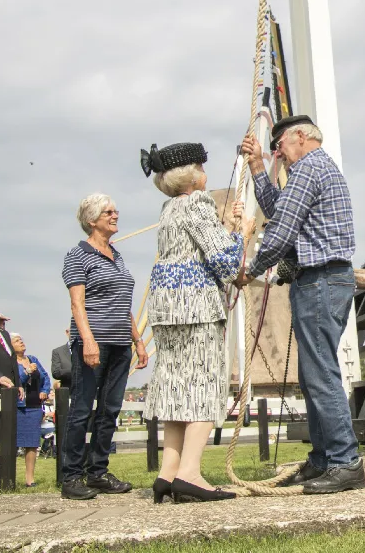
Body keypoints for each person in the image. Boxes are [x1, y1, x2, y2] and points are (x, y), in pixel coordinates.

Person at [240, 116, 364, 494]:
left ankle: (345, 462)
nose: (278, 154)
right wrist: (258, 165)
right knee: (313, 376)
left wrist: (249, 269)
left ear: (300, 137)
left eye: (279, 145)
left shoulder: (308, 169)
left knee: (320, 374)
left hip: (320, 280)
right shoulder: (314, 170)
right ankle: (325, 459)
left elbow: (279, 232)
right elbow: (281, 210)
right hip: (323, 280)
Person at [140, 141, 242, 503]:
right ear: (192, 175)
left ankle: (167, 472)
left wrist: (226, 227)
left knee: (175, 386)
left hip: (166, 308)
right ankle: (190, 473)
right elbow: (226, 263)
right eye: (201, 167)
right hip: (197, 307)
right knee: (203, 385)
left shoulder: (169, 209)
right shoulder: (198, 204)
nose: (205, 173)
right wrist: (240, 233)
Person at [60, 194, 149, 500]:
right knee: (81, 409)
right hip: (94, 342)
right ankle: (71, 476)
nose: (115, 215)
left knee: (110, 410)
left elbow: (124, 305)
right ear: (91, 220)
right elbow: (77, 303)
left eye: (115, 210)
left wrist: (138, 341)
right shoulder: (78, 255)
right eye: (108, 212)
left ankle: (98, 472)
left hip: (120, 344)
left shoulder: (117, 255)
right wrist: (88, 340)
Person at [11, 333, 51, 487]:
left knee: (32, 443)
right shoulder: (10, 362)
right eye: (17, 341)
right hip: (19, 407)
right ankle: (10, 478)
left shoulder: (33, 359)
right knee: (13, 443)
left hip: (34, 407)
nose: (21, 342)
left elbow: (45, 377)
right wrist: (26, 371)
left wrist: (44, 391)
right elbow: (15, 381)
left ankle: (30, 479)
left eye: (21, 339)